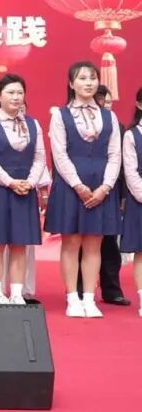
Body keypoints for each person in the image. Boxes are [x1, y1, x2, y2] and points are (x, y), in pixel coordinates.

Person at [46, 62, 121, 318]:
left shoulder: (109, 116)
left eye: (92, 78)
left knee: (94, 243)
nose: (88, 83)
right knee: (71, 242)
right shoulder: (60, 115)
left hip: (101, 183)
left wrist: (105, 187)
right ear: (71, 84)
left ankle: (89, 298)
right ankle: (72, 298)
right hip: (71, 184)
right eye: (82, 78)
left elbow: (115, 155)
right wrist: (78, 185)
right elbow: (59, 154)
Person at [0, 74, 46, 305]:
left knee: (20, 243)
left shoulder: (33, 124)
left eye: (20, 93)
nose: (16, 97)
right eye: (11, 93)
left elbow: (40, 157)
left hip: (25, 190)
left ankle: (16, 293)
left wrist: (31, 182)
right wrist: (10, 182)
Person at [74, 85, 130, 306]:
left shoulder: (117, 125)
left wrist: (119, 194)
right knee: (79, 242)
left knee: (109, 244)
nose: (104, 105)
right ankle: (79, 290)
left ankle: (112, 290)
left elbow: (122, 163)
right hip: (80, 190)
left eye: (107, 102)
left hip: (109, 190)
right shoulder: (72, 121)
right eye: (101, 100)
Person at [121, 95, 142, 315]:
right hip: (140, 199)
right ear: (139, 104)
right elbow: (131, 171)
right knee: (141, 251)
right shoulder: (131, 135)